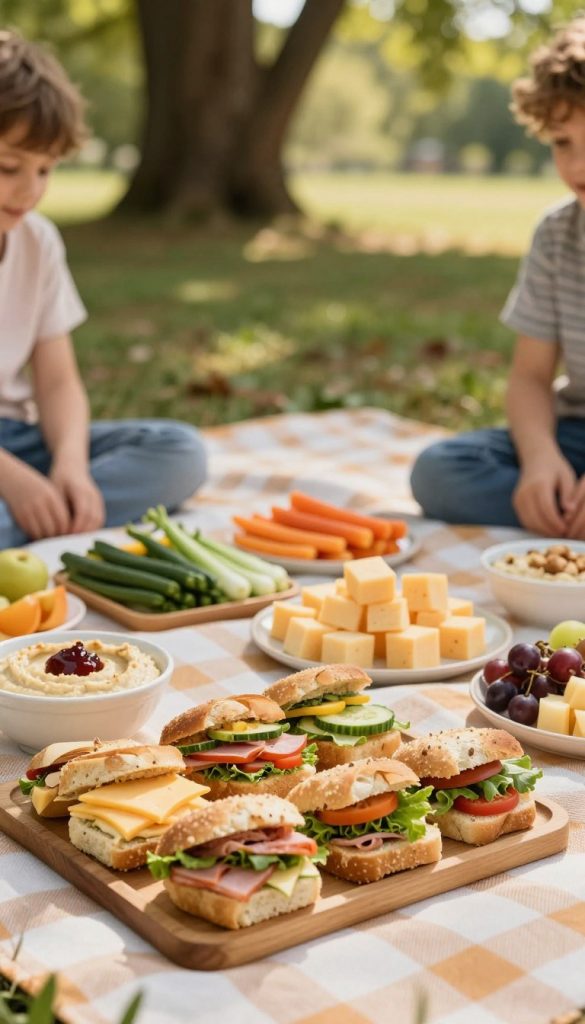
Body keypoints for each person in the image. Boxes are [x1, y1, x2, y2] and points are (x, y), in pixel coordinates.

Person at [0, 31, 207, 550]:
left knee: (179, 451)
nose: (31, 190)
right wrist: (13, 482)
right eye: (9, 167)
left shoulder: (37, 241)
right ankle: (39, 518)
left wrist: (70, 467)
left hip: (20, 439)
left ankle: (48, 516)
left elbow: (57, 383)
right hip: (10, 468)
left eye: (45, 169)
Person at [410, 16, 585, 538]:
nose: (579, 164)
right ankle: (561, 503)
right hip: (576, 432)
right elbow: (531, 377)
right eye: (562, 142)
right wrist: (539, 461)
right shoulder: (558, 235)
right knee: (439, 474)